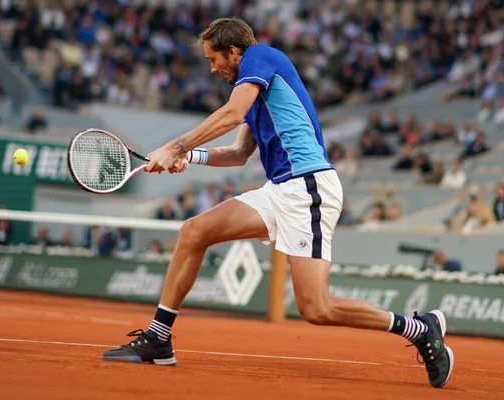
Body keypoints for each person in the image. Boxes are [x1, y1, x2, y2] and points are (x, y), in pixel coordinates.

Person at [102, 18, 453, 388]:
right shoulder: (252, 91)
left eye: (213, 59)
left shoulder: (261, 57)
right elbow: (238, 153)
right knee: (194, 231)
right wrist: (191, 158)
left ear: (234, 52)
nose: (212, 68)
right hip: (279, 189)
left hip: (308, 189)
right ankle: (159, 338)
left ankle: (419, 328)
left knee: (316, 309)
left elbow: (230, 114)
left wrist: (176, 146)